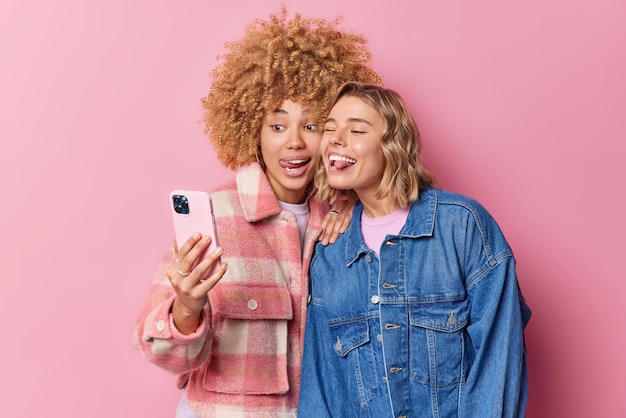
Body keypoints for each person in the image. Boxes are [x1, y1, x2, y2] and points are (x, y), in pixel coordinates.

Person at [132, 9, 382, 418]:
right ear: (253, 130)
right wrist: (187, 306)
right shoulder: (215, 215)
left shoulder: (347, 216)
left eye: (313, 126)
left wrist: (353, 203)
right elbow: (161, 352)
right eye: (278, 126)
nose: (295, 143)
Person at [298, 82, 531, 417]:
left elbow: (500, 356)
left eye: (356, 130)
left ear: (393, 145)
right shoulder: (331, 255)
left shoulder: (461, 227)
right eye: (330, 128)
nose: (334, 139)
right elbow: (323, 391)